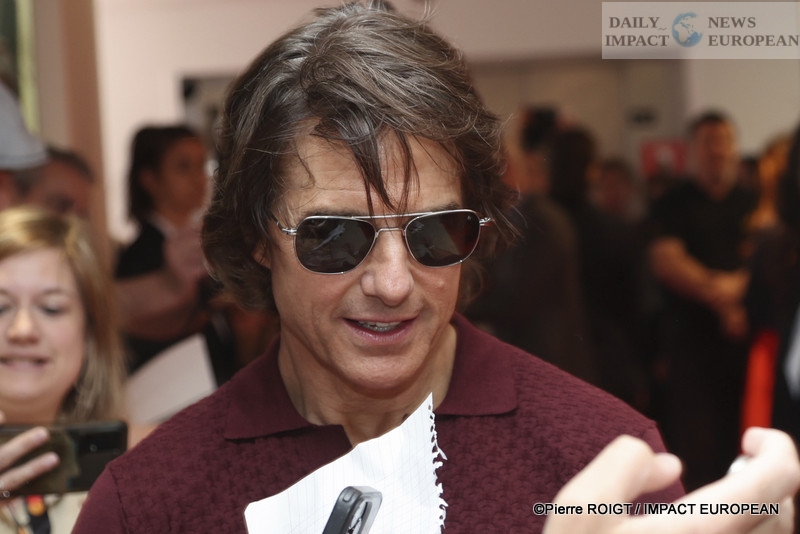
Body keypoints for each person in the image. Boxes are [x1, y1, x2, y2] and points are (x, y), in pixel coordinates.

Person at [72, 3, 796, 532]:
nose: (393, 284)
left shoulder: (602, 463)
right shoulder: (151, 503)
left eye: (434, 233)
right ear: (259, 237)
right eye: (336, 239)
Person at [0, 207, 127, 533]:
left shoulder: (138, 473)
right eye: (0, 307)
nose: (22, 330)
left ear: (91, 333)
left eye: (51, 308)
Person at [648, 111, 757, 490]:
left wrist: (740, 286)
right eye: (709, 142)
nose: (718, 151)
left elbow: (764, 259)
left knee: (746, 442)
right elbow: (667, 262)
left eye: (724, 141)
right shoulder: (672, 203)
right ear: (692, 150)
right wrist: (723, 299)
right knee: (699, 449)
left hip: (745, 345)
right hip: (692, 346)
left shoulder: (752, 202)